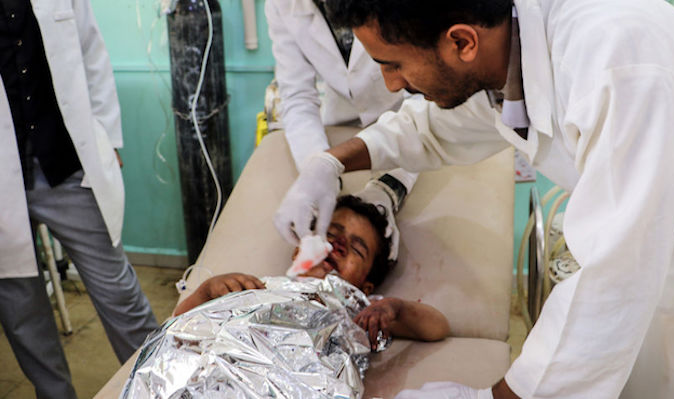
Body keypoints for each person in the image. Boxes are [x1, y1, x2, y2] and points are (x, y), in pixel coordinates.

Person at [274, 0, 674, 398]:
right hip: (673, 255)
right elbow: (433, 128)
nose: (391, 84)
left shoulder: (619, 57)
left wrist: (497, 396)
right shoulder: (509, 49)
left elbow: (612, 274)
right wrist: (332, 162)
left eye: (393, 64)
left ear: (462, 42)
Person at [0, 1, 159, 398]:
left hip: (65, 163)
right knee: (22, 313)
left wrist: (107, 135)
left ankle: (160, 383)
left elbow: (91, 51)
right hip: (4, 176)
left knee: (120, 294)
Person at [176, 194, 448, 348]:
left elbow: (437, 327)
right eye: (331, 234)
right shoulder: (256, 288)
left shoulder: (363, 313)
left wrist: (395, 308)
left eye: (357, 249)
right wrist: (207, 290)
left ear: (365, 287)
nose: (339, 244)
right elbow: (178, 325)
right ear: (299, 249)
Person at [265, 0, 419, 260]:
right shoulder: (282, 4)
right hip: (342, 118)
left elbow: (427, 105)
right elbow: (298, 97)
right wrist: (317, 168)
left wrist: (389, 187)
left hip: (412, 109)